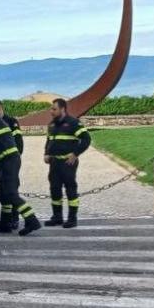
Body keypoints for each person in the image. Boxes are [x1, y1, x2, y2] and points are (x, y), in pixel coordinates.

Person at [0, 99, 40, 236]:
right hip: (2, 161)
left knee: (11, 192)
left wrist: (13, 158)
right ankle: (5, 223)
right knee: (3, 193)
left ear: (0, 107)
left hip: (9, 160)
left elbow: (18, 143)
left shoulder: (11, 121)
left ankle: (31, 220)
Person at [43, 98, 91, 228]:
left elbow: (86, 139)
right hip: (54, 163)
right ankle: (57, 217)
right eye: (51, 109)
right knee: (54, 190)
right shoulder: (51, 125)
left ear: (62, 109)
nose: (51, 111)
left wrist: (75, 154)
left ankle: (72, 219)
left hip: (67, 163)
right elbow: (49, 141)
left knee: (70, 190)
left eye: (54, 109)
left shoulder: (73, 123)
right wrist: (46, 153)